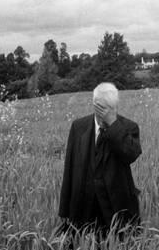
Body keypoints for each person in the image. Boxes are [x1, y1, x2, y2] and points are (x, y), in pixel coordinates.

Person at [58, 82, 142, 234]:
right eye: (101, 109)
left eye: (110, 109)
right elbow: (69, 170)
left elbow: (131, 154)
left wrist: (112, 124)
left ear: (116, 106)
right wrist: (64, 210)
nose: (105, 114)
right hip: (84, 205)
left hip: (116, 207)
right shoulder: (78, 127)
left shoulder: (129, 127)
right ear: (94, 105)